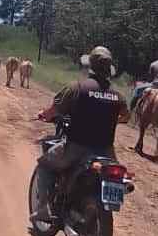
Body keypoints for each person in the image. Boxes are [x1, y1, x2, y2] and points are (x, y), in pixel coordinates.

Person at [30, 46, 130, 222]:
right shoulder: (118, 96)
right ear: (109, 70)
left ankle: (43, 209)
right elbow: (126, 117)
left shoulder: (77, 88)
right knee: (117, 175)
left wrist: (43, 115)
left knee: (45, 164)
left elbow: (55, 110)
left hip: (76, 148)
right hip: (107, 153)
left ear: (90, 66)